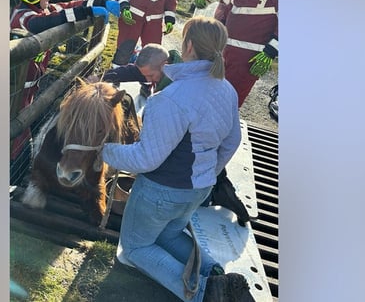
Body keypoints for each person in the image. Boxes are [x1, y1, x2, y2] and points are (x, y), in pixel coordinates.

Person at [101, 17, 254, 302]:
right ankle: (217, 276)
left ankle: (205, 294)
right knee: (168, 235)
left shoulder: (169, 99)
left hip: (161, 192)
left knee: (135, 248)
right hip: (199, 189)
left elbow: (147, 159)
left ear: (189, 45)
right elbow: (231, 142)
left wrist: (104, 151)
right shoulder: (227, 89)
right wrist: (205, 174)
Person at [9, 0, 119, 158]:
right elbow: (44, 24)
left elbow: (70, 6)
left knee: (22, 138)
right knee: (15, 141)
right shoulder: (22, 16)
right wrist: (83, 13)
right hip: (12, 95)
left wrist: (98, 4)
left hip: (28, 92)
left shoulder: (44, 9)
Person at [193, 0, 279, 107]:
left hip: (248, 60)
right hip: (226, 52)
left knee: (226, 104)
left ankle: (218, 134)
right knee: (210, 97)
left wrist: (271, 51)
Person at [95, 43, 182, 96]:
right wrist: (100, 78)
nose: (147, 80)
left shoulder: (179, 87)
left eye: (151, 76)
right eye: (145, 75)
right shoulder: (157, 70)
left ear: (165, 65)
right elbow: (131, 72)